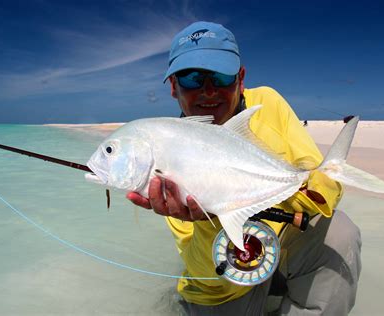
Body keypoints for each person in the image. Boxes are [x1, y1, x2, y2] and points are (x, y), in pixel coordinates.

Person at [127, 21, 361, 315]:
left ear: (240, 78)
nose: (208, 91)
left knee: (339, 232)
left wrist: (305, 188)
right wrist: (208, 219)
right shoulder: (168, 146)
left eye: (221, 76)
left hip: (279, 246)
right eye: (191, 78)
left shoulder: (267, 103)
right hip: (221, 281)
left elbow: (322, 183)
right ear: (174, 87)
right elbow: (209, 273)